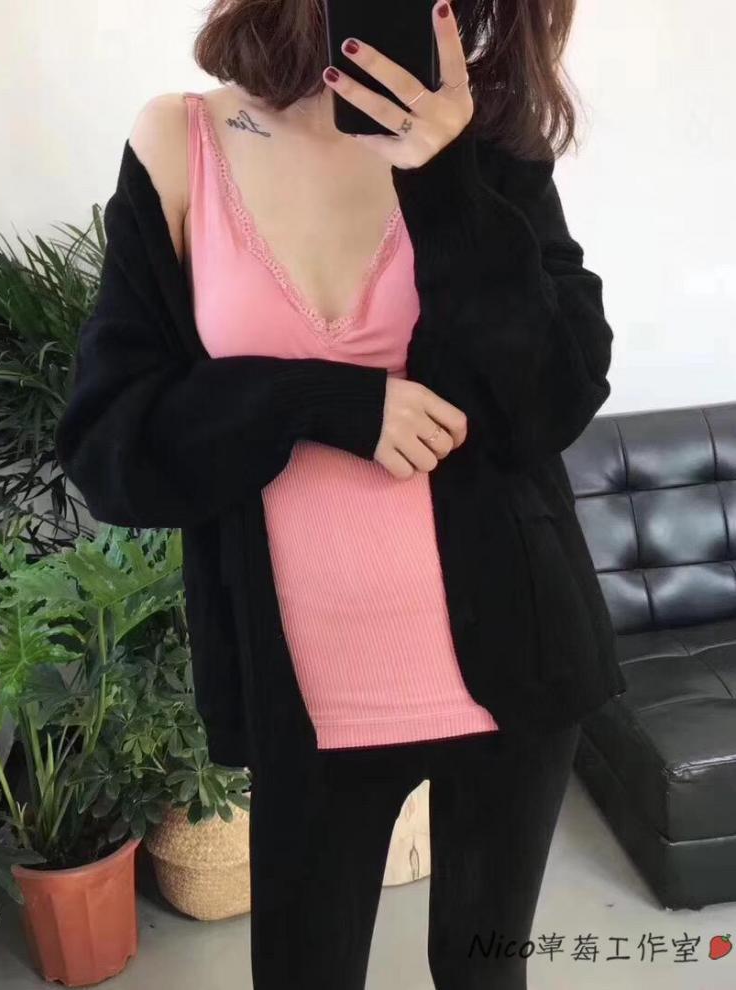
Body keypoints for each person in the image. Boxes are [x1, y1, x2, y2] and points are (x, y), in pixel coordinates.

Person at [54, 0, 627, 986]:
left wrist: (445, 181)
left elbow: (553, 400)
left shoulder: (487, 145)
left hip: (516, 662)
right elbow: (111, 445)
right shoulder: (181, 142)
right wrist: (324, 401)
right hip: (311, 697)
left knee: (484, 975)